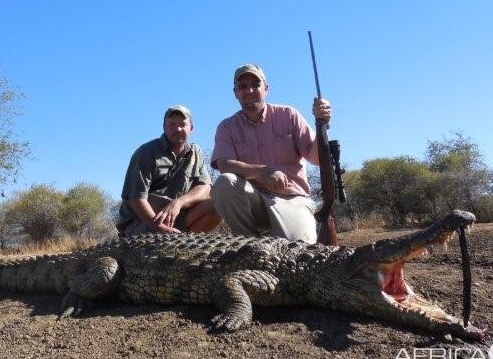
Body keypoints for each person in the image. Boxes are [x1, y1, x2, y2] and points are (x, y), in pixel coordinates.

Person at [210, 63, 332, 243]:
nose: (249, 90)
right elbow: (224, 164)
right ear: (235, 93)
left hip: (291, 198)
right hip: (253, 199)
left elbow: (315, 158)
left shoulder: (289, 115)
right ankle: (248, 245)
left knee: (300, 252)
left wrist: (321, 125)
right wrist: (262, 171)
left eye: (255, 84)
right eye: (243, 86)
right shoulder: (227, 127)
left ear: (266, 89)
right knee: (224, 183)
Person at [117, 105, 221, 236]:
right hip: (143, 221)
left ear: (191, 129)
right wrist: (159, 227)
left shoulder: (196, 152)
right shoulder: (146, 152)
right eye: (172, 124)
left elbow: (205, 187)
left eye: (182, 124)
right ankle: (173, 241)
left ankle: (184, 245)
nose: (177, 129)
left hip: (176, 217)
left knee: (218, 204)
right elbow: (135, 199)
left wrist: (178, 203)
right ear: (164, 127)